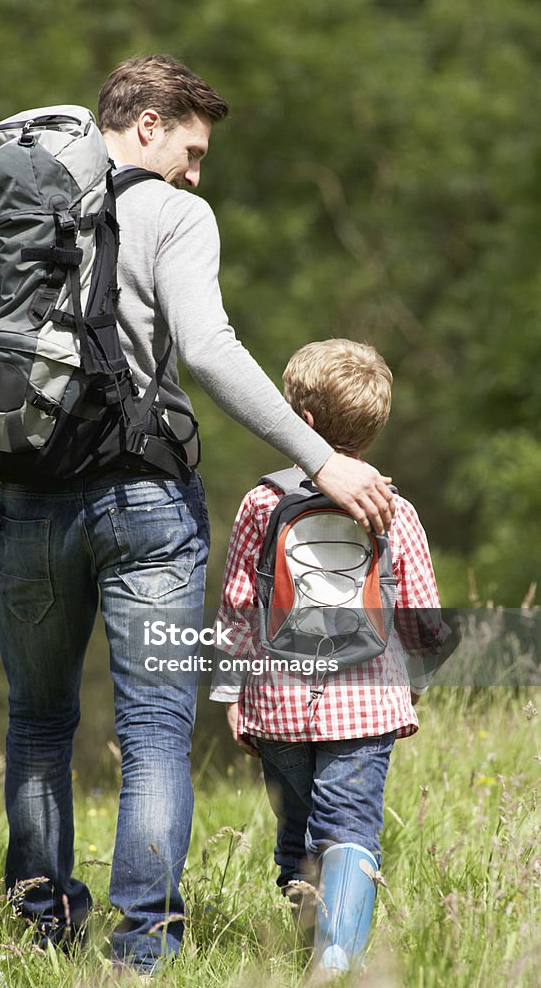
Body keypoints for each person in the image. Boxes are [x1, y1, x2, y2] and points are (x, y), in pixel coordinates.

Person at [0, 57, 395, 974]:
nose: (195, 169)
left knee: (38, 723)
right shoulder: (174, 214)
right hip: (147, 509)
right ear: (145, 123)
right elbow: (208, 351)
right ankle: (141, 951)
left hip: (24, 502)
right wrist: (323, 458)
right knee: (153, 734)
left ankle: (42, 929)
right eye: (191, 146)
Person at [211, 338, 449, 980]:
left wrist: (232, 691)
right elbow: (422, 615)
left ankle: (307, 946)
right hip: (368, 702)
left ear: (303, 423)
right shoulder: (395, 509)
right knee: (349, 829)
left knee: (297, 834)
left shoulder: (263, 503)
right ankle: (337, 958)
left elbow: (240, 605)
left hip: (280, 702)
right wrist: (415, 683)